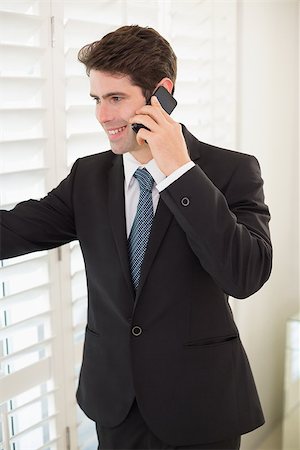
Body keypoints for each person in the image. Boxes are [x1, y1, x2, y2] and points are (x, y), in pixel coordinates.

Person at [0, 25, 272, 450]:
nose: (102, 116)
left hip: (200, 408)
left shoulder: (230, 171)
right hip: (115, 406)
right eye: (96, 99)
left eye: (116, 98)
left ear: (161, 93)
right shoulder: (88, 177)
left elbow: (245, 275)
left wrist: (180, 172)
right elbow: (11, 231)